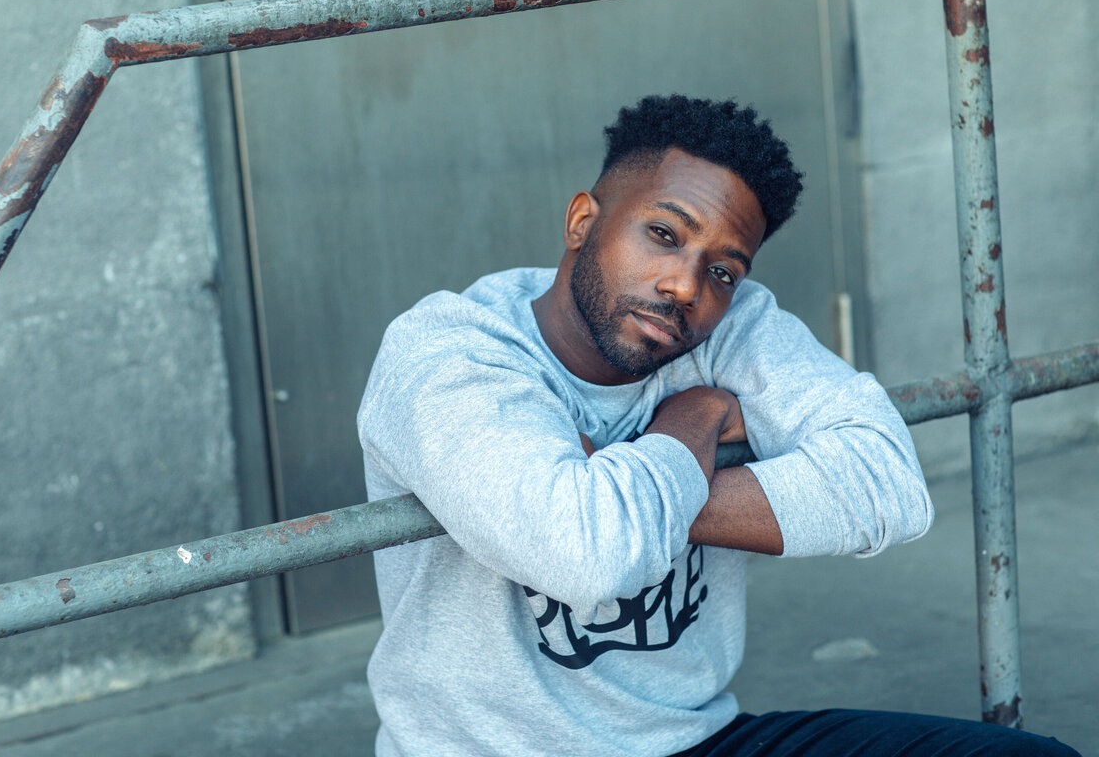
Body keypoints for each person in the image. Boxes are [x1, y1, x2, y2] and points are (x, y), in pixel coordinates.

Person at [356, 96, 1077, 756]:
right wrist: (693, 422)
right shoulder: (449, 351)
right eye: (664, 234)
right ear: (583, 221)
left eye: (723, 270)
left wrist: (614, 489)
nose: (685, 287)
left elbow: (889, 485)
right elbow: (588, 554)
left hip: (694, 742)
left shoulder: (730, 328)